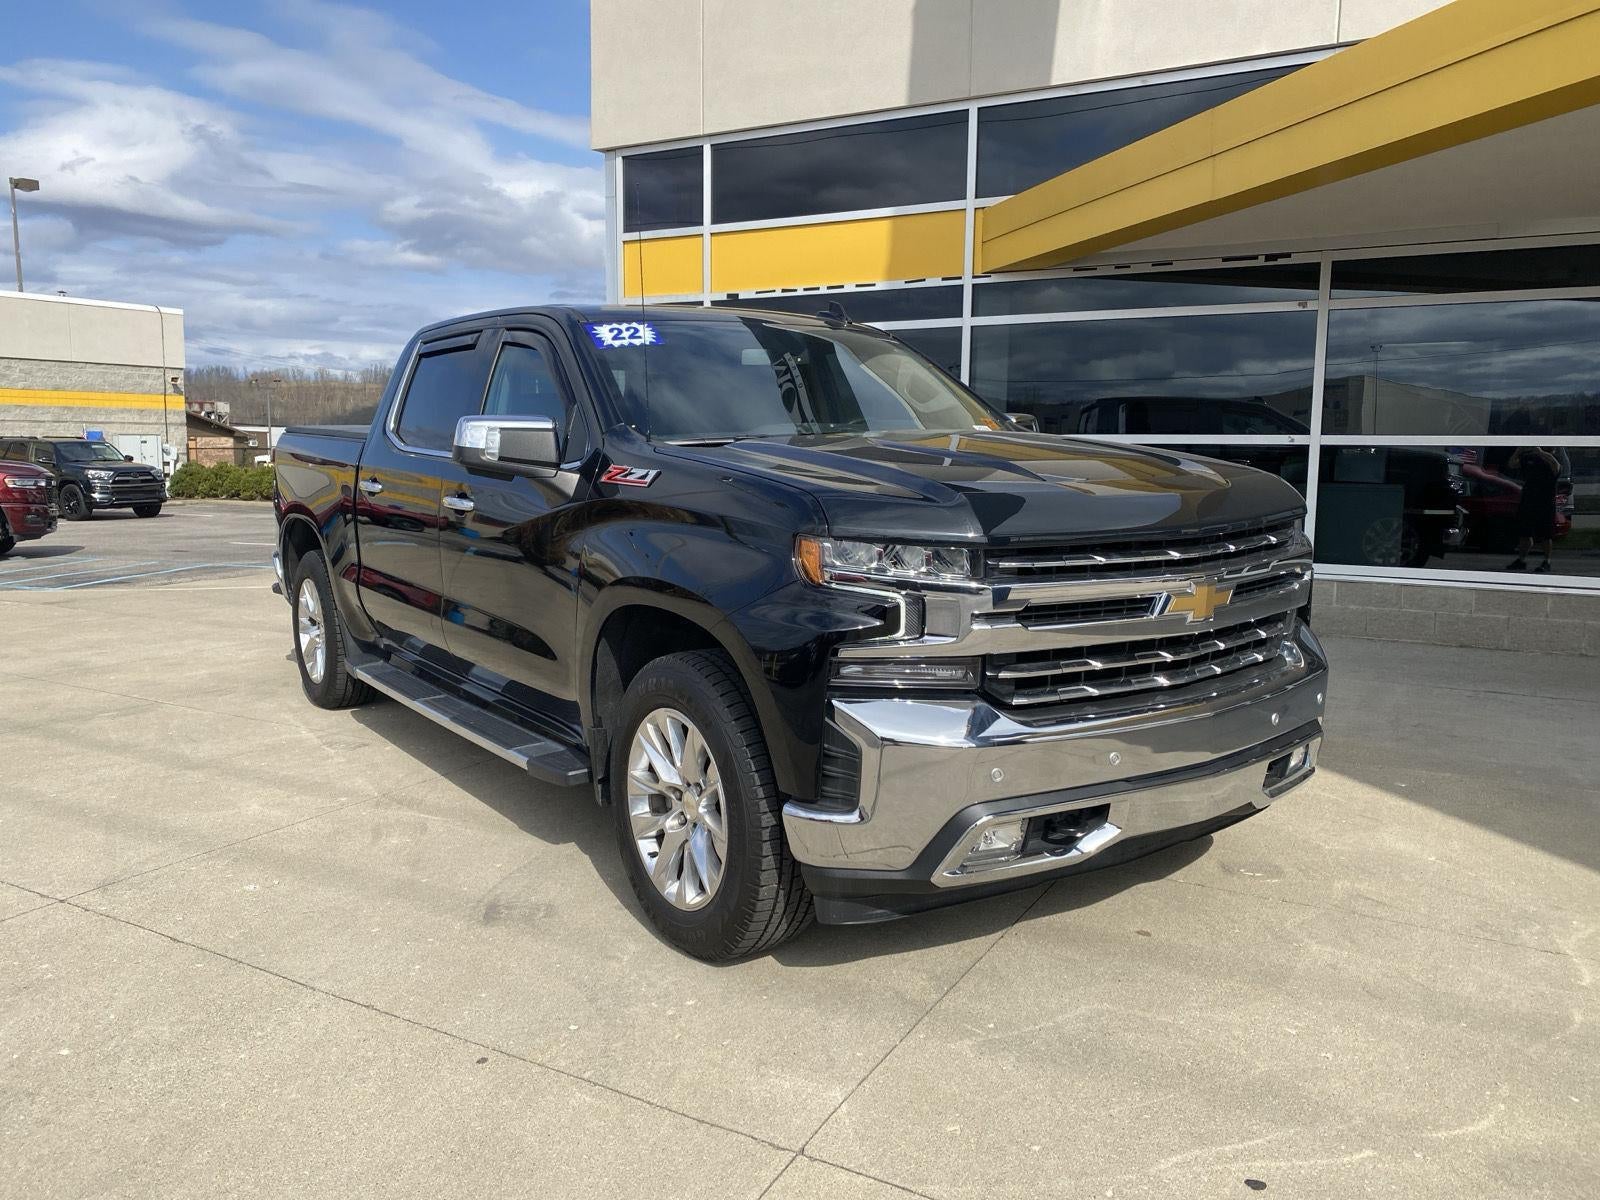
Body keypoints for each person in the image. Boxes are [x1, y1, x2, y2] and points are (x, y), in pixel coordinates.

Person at [1505, 446, 1562, 573]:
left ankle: (1547, 561)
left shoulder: (1552, 459)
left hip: (1545, 502)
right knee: (1525, 532)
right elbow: (1512, 464)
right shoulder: (1530, 459)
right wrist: (1519, 450)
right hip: (1528, 500)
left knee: (1545, 534)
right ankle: (1521, 560)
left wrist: (1541, 453)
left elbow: (1557, 467)